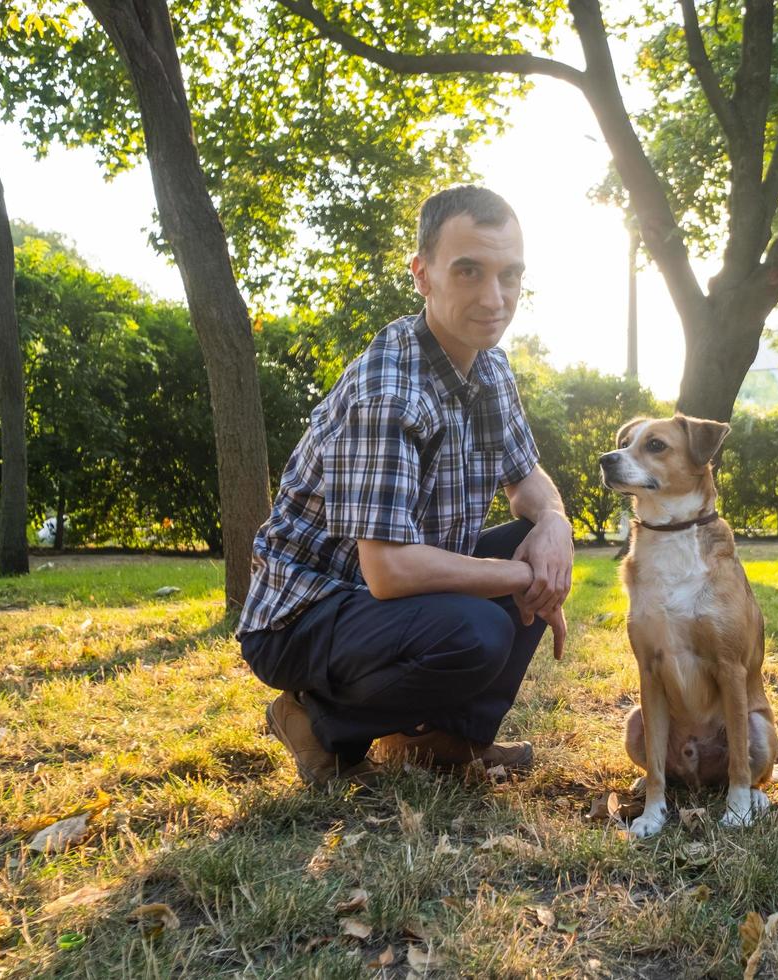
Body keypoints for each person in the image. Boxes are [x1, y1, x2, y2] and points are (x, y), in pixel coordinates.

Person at [237, 186, 573, 788]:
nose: (494, 299)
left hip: (386, 606)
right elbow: (388, 571)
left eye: (510, 275)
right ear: (422, 275)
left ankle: (446, 741)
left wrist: (553, 526)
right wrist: (529, 578)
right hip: (304, 614)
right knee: (480, 628)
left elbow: (529, 481)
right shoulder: (390, 389)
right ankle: (314, 719)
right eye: (469, 271)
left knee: (529, 539)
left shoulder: (489, 369)